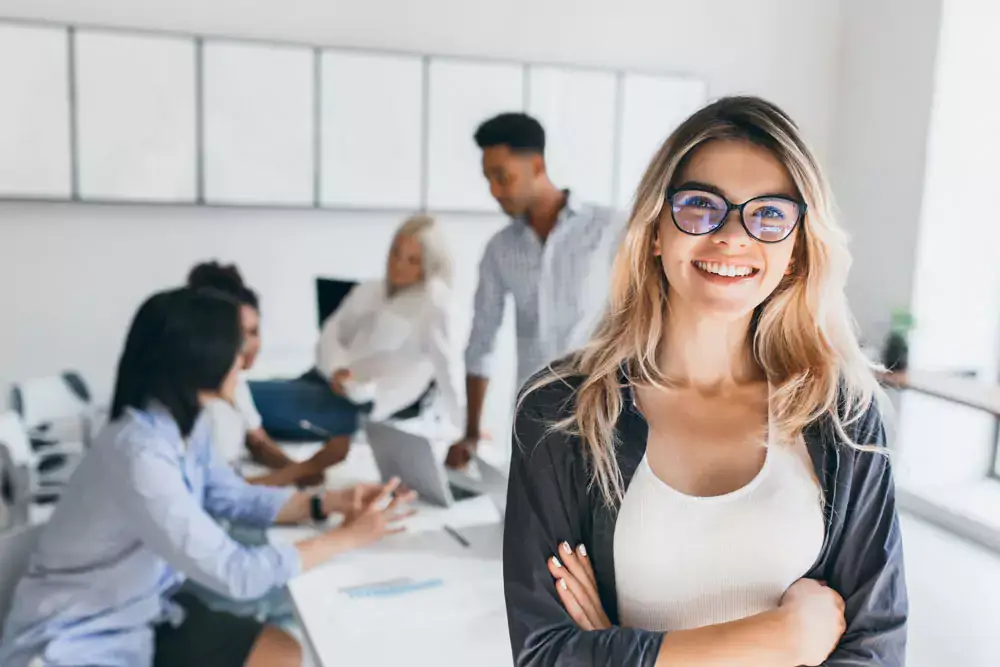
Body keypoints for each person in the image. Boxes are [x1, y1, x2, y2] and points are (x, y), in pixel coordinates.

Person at [503, 96, 907, 666]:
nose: (732, 236)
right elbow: (547, 655)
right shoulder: (560, 412)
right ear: (653, 232)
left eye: (768, 213)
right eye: (700, 206)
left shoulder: (841, 411)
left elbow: (878, 649)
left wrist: (616, 651)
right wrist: (782, 638)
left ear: (794, 249)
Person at [0, 288, 413, 667]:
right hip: (75, 639)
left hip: (143, 610)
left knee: (284, 654)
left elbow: (229, 495)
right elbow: (237, 573)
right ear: (200, 358)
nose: (245, 360)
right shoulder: (137, 454)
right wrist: (349, 537)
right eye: (237, 347)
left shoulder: (184, 424)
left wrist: (327, 502)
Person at [446, 112, 623, 469]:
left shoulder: (610, 229)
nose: (495, 191)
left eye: (502, 177)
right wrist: (470, 432)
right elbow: (481, 341)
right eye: (489, 180)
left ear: (537, 165)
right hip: (534, 419)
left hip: (605, 415)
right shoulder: (500, 249)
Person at [249, 214, 463, 442]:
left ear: (428, 265)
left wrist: (468, 429)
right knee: (234, 398)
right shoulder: (371, 289)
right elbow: (331, 333)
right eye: (396, 253)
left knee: (240, 396)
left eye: (412, 260)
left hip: (354, 408)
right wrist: (336, 370)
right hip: (319, 380)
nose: (398, 265)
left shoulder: (435, 304)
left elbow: (448, 370)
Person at [188, 262, 340, 487]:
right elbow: (220, 495)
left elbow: (257, 441)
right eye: (242, 333)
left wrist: (299, 469)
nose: (252, 344)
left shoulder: (235, 382)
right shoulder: (199, 404)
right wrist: (301, 472)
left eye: (255, 332)